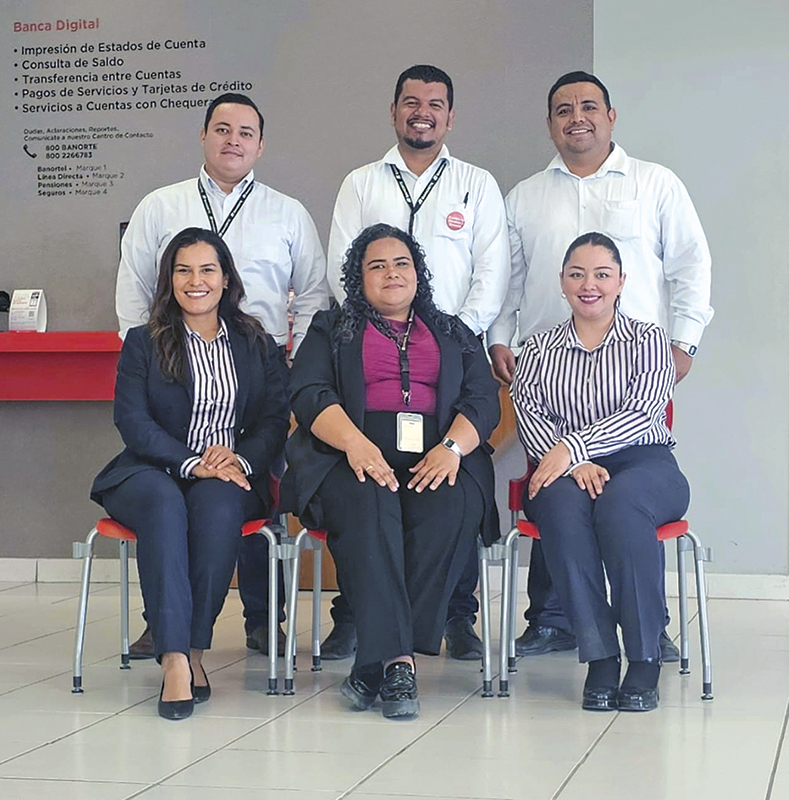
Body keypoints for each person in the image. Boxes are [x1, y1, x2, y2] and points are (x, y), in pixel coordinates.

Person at [487, 70, 712, 661]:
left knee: (628, 499)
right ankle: (552, 619)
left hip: (635, 378)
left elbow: (691, 265)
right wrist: (500, 339)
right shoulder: (525, 197)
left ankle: (647, 627)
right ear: (549, 124)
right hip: (550, 377)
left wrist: (685, 343)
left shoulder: (655, 184)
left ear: (611, 116)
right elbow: (507, 280)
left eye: (589, 106)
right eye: (563, 109)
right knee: (554, 487)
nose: (576, 117)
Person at [115, 93, 329, 658]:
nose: (233, 140)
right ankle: (165, 623)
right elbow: (133, 289)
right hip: (173, 372)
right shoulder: (161, 205)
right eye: (222, 129)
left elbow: (312, 293)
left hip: (259, 376)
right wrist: (154, 357)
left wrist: (295, 365)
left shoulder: (287, 212)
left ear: (261, 144)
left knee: (251, 492)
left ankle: (263, 618)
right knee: (167, 500)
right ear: (204, 135)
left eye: (245, 132)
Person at [324, 64, 509, 661]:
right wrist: (376, 326)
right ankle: (356, 616)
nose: (421, 112)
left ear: (450, 116)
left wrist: (452, 339)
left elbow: (493, 270)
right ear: (394, 111)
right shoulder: (361, 183)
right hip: (372, 355)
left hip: (447, 365)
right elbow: (342, 266)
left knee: (453, 486)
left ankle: (457, 615)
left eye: (434, 104)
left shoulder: (476, 184)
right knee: (367, 495)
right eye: (410, 102)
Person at [282, 223, 500, 719]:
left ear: (418, 273)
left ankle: (373, 663)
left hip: (438, 454)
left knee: (451, 506)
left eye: (401, 263)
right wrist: (355, 444)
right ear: (358, 279)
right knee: (370, 506)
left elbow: (483, 399)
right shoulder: (330, 328)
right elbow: (309, 392)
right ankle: (399, 662)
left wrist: (451, 448)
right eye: (376, 266)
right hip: (348, 454)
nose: (391, 273)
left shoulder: (452, 330)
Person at [92, 228, 290, 719]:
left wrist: (237, 460)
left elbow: (272, 418)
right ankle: (175, 659)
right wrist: (190, 461)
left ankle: (194, 649)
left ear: (226, 279)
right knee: (164, 503)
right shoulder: (144, 342)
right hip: (151, 469)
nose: (195, 281)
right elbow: (131, 419)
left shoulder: (256, 343)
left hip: (228, 473)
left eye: (207, 270)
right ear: (170, 279)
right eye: (183, 270)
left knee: (218, 508)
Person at [512, 232, 689, 712]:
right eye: (577, 274)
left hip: (643, 463)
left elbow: (644, 412)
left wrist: (575, 447)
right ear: (562, 282)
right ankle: (601, 657)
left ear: (621, 282)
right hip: (562, 470)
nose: (589, 285)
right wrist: (574, 462)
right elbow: (530, 416)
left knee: (621, 507)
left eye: (602, 274)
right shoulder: (537, 349)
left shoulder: (648, 340)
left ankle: (645, 657)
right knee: (560, 510)